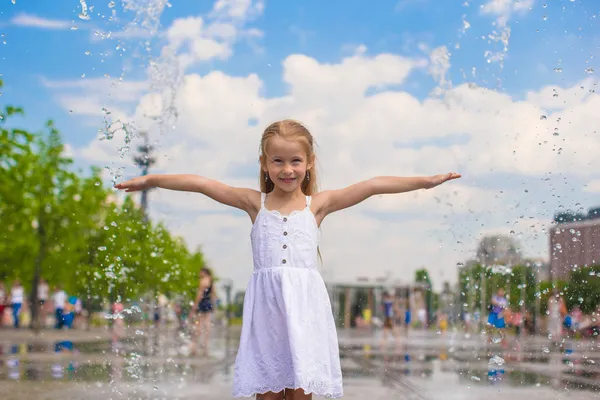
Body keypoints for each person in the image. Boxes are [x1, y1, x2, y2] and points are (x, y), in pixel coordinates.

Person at [115, 119, 460, 400]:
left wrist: (424, 182)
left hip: (305, 310)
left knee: (300, 390)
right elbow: (202, 184)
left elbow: (372, 185)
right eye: (277, 160)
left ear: (309, 163)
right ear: (264, 163)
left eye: (295, 160)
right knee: (267, 390)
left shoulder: (317, 206)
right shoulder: (255, 204)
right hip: (267, 310)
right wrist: (151, 179)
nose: (287, 169)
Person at [191, 267, 217, 357]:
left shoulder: (203, 281)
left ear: (204, 272)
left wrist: (194, 306)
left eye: (200, 272)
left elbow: (199, 295)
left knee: (198, 325)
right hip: (208, 303)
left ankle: (194, 347)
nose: (199, 274)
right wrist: (213, 306)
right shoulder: (211, 281)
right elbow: (213, 295)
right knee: (207, 324)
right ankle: (205, 346)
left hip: (202, 303)